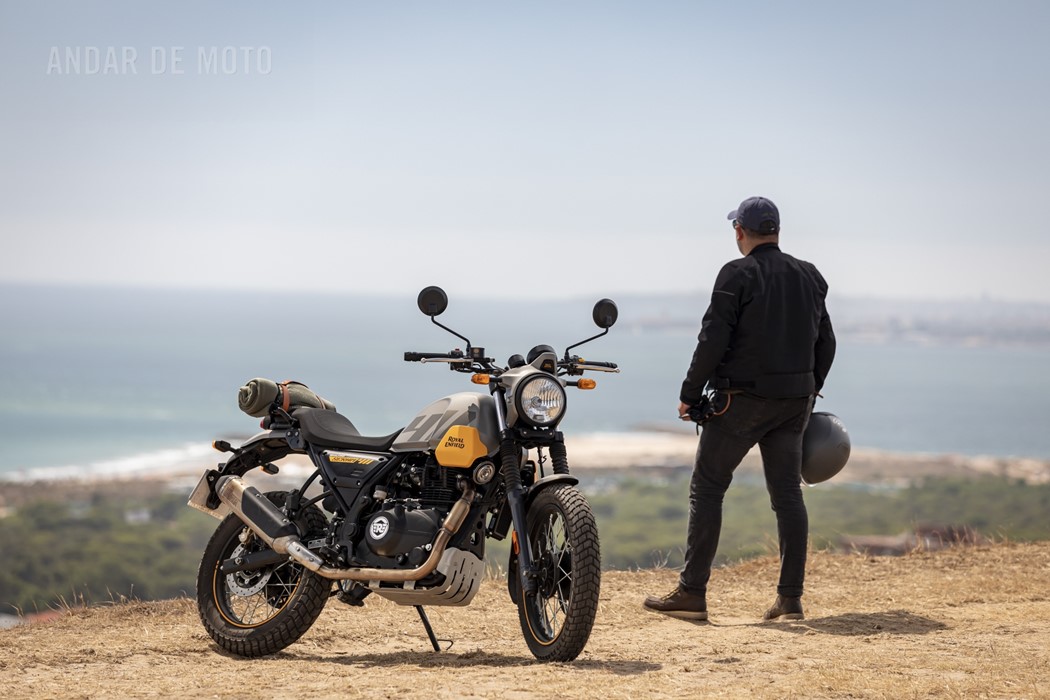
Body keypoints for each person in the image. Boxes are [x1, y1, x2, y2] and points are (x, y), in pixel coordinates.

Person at [643, 196, 836, 622]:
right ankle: (790, 600)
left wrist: (689, 394)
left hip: (740, 403)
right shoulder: (811, 276)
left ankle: (692, 593)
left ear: (740, 232)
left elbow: (712, 339)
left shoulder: (736, 274)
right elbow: (827, 344)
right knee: (787, 496)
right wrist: (808, 391)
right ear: (778, 232)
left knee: (708, 489)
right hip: (793, 404)